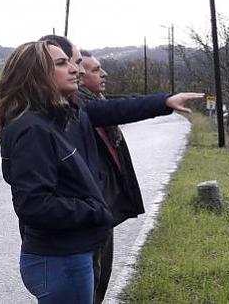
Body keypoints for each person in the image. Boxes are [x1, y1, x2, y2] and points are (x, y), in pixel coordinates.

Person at [0, 40, 202, 303]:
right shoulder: (33, 129)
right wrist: (95, 211)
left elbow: (116, 108)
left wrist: (164, 101)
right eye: (62, 63)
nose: (75, 70)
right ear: (36, 74)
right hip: (61, 259)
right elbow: (34, 205)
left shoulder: (64, 115)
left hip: (72, 252)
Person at [78, 50, 142, 303]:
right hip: (90, 212)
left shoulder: (100, 106)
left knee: (102, 276)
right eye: (96, 70)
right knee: (89, 280)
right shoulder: (80, 113)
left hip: (104, 210)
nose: (103, 73)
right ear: (80, 75)